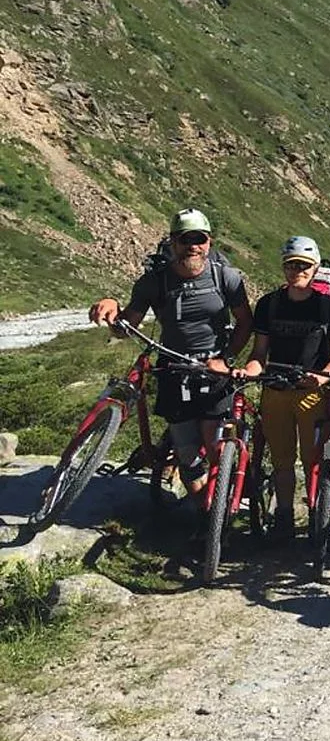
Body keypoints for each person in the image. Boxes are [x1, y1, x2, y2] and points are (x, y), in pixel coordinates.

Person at [88, 208, 253, 514]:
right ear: (173, 243)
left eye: (199, 238)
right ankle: (207, 515)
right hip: (173, 369)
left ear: (209, 242)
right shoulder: (154, 282)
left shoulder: (226, 277)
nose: (193, 245)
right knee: (187, 451)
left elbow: (245, 322)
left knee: (214, 443)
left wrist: (226, 358)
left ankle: (222, 509)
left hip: (213, 370)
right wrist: (111, 306)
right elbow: (127, 327)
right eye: (184, 238)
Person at [235, 236, 330, 541]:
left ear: (315, 269)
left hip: (312, 393)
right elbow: (259, 354)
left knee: (313, 460)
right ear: (284, 268)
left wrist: (324, 376)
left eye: (304, 265)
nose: (298, 270)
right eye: (292, 265)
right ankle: (284, 516)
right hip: (276, 391)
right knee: (282, 459)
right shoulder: (268, 305)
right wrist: (249, 372)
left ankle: (315, 514)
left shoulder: (329, 308)